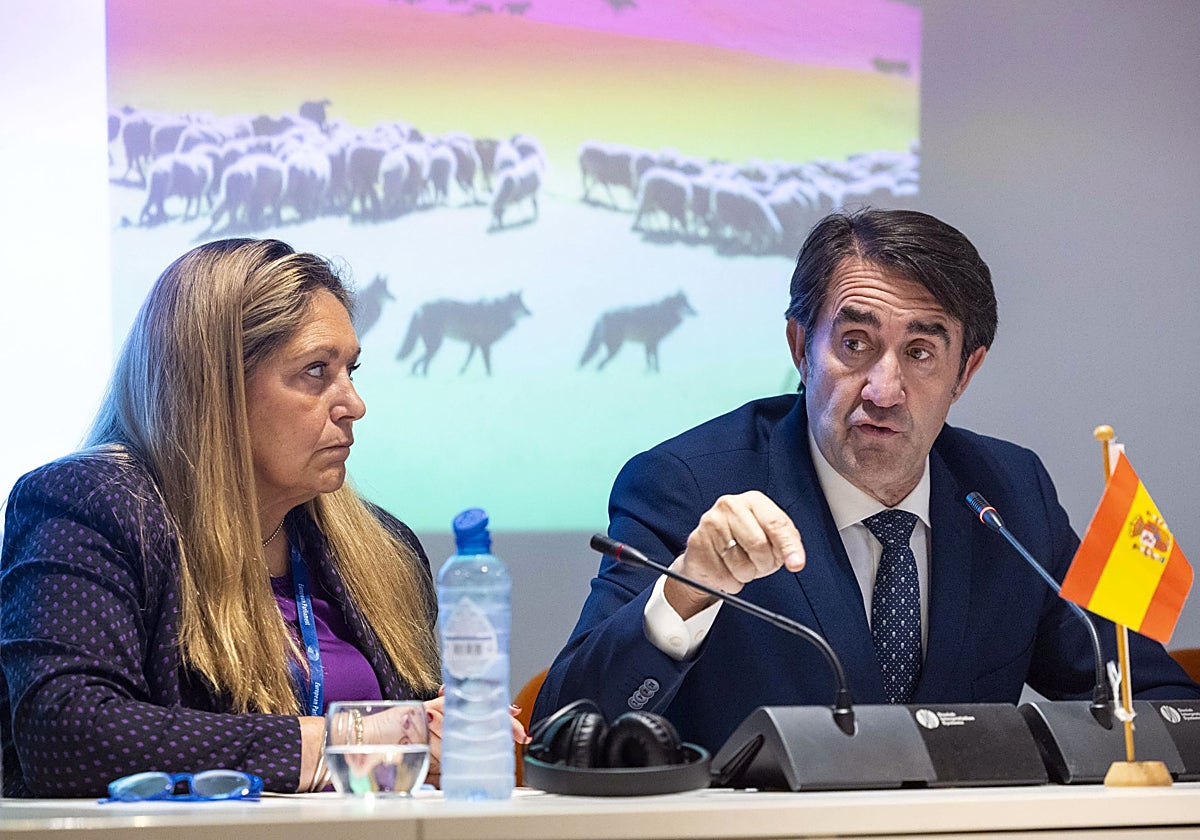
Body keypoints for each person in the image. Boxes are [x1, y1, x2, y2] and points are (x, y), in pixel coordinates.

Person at [533, 208, 1200, 755]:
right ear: (801, 347)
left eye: (921, 352)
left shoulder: (1008, 494)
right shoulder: (687, 484)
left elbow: (1157, 705)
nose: (884, 389)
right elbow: (565, 728)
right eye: (854, 344)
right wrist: (684, 591)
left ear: (965, 372)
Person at [0, 238, 525, 798]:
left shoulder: (384, 548)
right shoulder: (87, 505)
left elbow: (401, 754)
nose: (354, 404)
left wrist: (445, 739)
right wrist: (338, 743)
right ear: (216, 386)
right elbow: (67, 732)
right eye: (316, 371)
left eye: (351, 370)